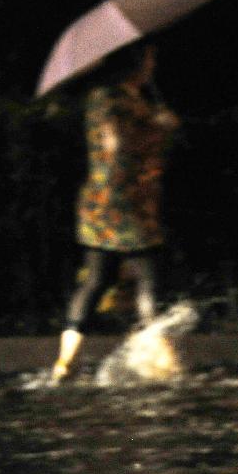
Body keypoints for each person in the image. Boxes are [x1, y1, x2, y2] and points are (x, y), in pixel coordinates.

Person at [51, 44, 180, 382]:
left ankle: (67, 359)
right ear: (137, 64)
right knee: (149, 280)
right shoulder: (119, 100)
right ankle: (163, 364)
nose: (153, 65)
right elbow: (119, 146)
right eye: (150, 59)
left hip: (99, 204)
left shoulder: (102, 97)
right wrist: (160, 128)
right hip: (129, 206)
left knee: (97, 280)